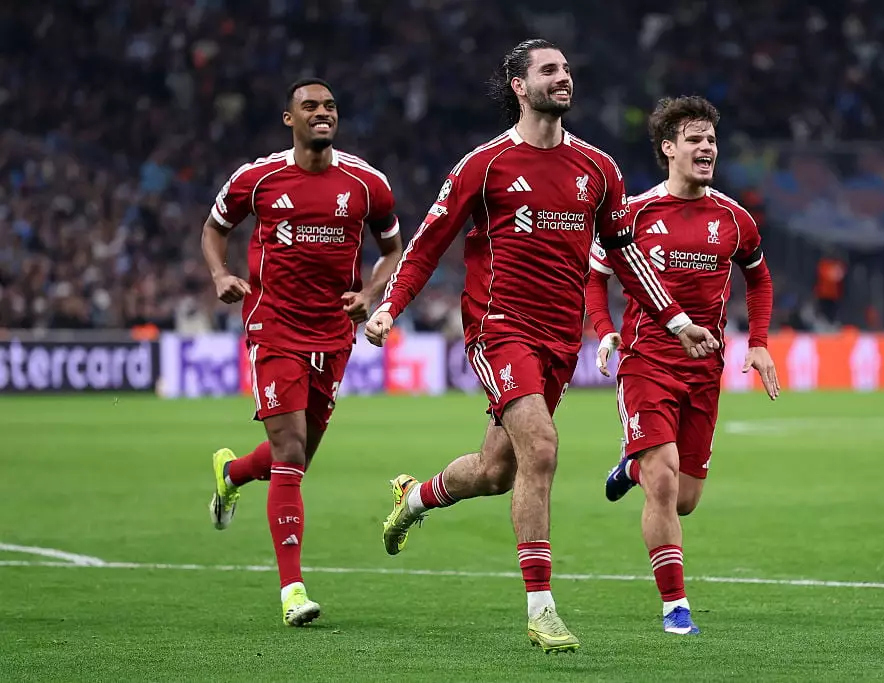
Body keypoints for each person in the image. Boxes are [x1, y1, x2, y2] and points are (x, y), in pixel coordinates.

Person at [362, 40, 718, 653]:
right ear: (519, 87)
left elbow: (626, 255)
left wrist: (677, 320)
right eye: (549, 70)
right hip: (498, 327)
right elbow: (427, 244)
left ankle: (414, 497)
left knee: (497, 471)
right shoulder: (485, 165)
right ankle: (541, 607)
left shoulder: (598, 169)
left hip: (559, 341)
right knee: (544, 448)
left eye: (567, 68)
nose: (563, 77)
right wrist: (390, 306)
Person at [201, 78, 403, 626]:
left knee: (295, 457)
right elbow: (214, 229)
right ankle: (292, 590)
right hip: (274, 326)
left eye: (330, 106)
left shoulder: (367, 184)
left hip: (333, 334)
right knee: (289, 454)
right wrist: (220, 274)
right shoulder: (258, 178)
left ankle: (233, 473)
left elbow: (392, 249)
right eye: (309, 106)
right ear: (289, 118)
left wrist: (370, 293)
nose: (322, 113)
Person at [586, 95, 779, 636]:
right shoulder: (634, 213)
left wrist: (759, 341)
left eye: (711, 139)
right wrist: (604, 330)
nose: (706, 147)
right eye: (695, 139)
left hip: (704, 370)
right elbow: (596, 276)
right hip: (646, 363)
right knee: (664, 480)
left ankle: (629, 468)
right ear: (669, 148)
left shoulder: (734, 218)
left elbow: (759, 278)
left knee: (685, 499)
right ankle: (675, 607)